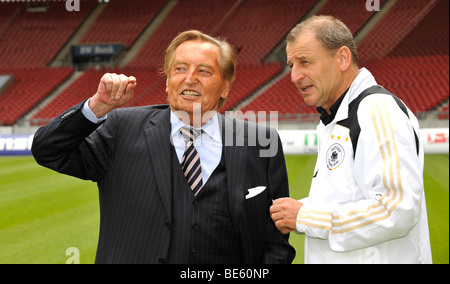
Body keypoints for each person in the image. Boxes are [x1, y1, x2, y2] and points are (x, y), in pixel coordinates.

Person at [32, 30, 295, 264]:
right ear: (168, 81)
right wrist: (96, 107)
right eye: (180, 69)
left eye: (204, 71)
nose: (190, 78)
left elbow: (275, 242)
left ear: (225, 86)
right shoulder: (120, 128)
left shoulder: (259, 142)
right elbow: (47, 150)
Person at [270, 16, 432, 264]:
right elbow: (347, 198)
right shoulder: (339, 117)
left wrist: (304, 217)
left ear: (342, 58)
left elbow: (397, 209)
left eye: (304, 62)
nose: (294, 76)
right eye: (291, 64)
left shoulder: (377, 110)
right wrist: (295, 210)